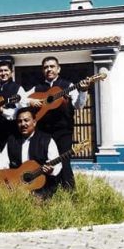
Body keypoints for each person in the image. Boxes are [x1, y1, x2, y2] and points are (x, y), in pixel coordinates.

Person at [27, 56, 89, 190]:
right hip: (43, 131)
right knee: (44, 162)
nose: (49, 69)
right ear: (42, 70)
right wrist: (29, 101)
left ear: (58, 69)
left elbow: (79, 105)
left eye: (52, 66)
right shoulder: (37, 88)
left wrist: (83, 90)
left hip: (63, 130)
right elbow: (23, 98)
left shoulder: (68, 85)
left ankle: (69, 193)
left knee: (64, 161)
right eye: (46, 67)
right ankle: (46, 191)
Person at [0, 107, 63, 198]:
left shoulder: (47, 140)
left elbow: (57, 165)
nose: (23, 124)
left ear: (34, 122)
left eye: (26, 120)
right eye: (19, 121)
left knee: (35, 199)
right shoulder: (12, 140)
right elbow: (3, 159)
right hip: (18, 183)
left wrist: (51, 170)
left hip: (42, 185)